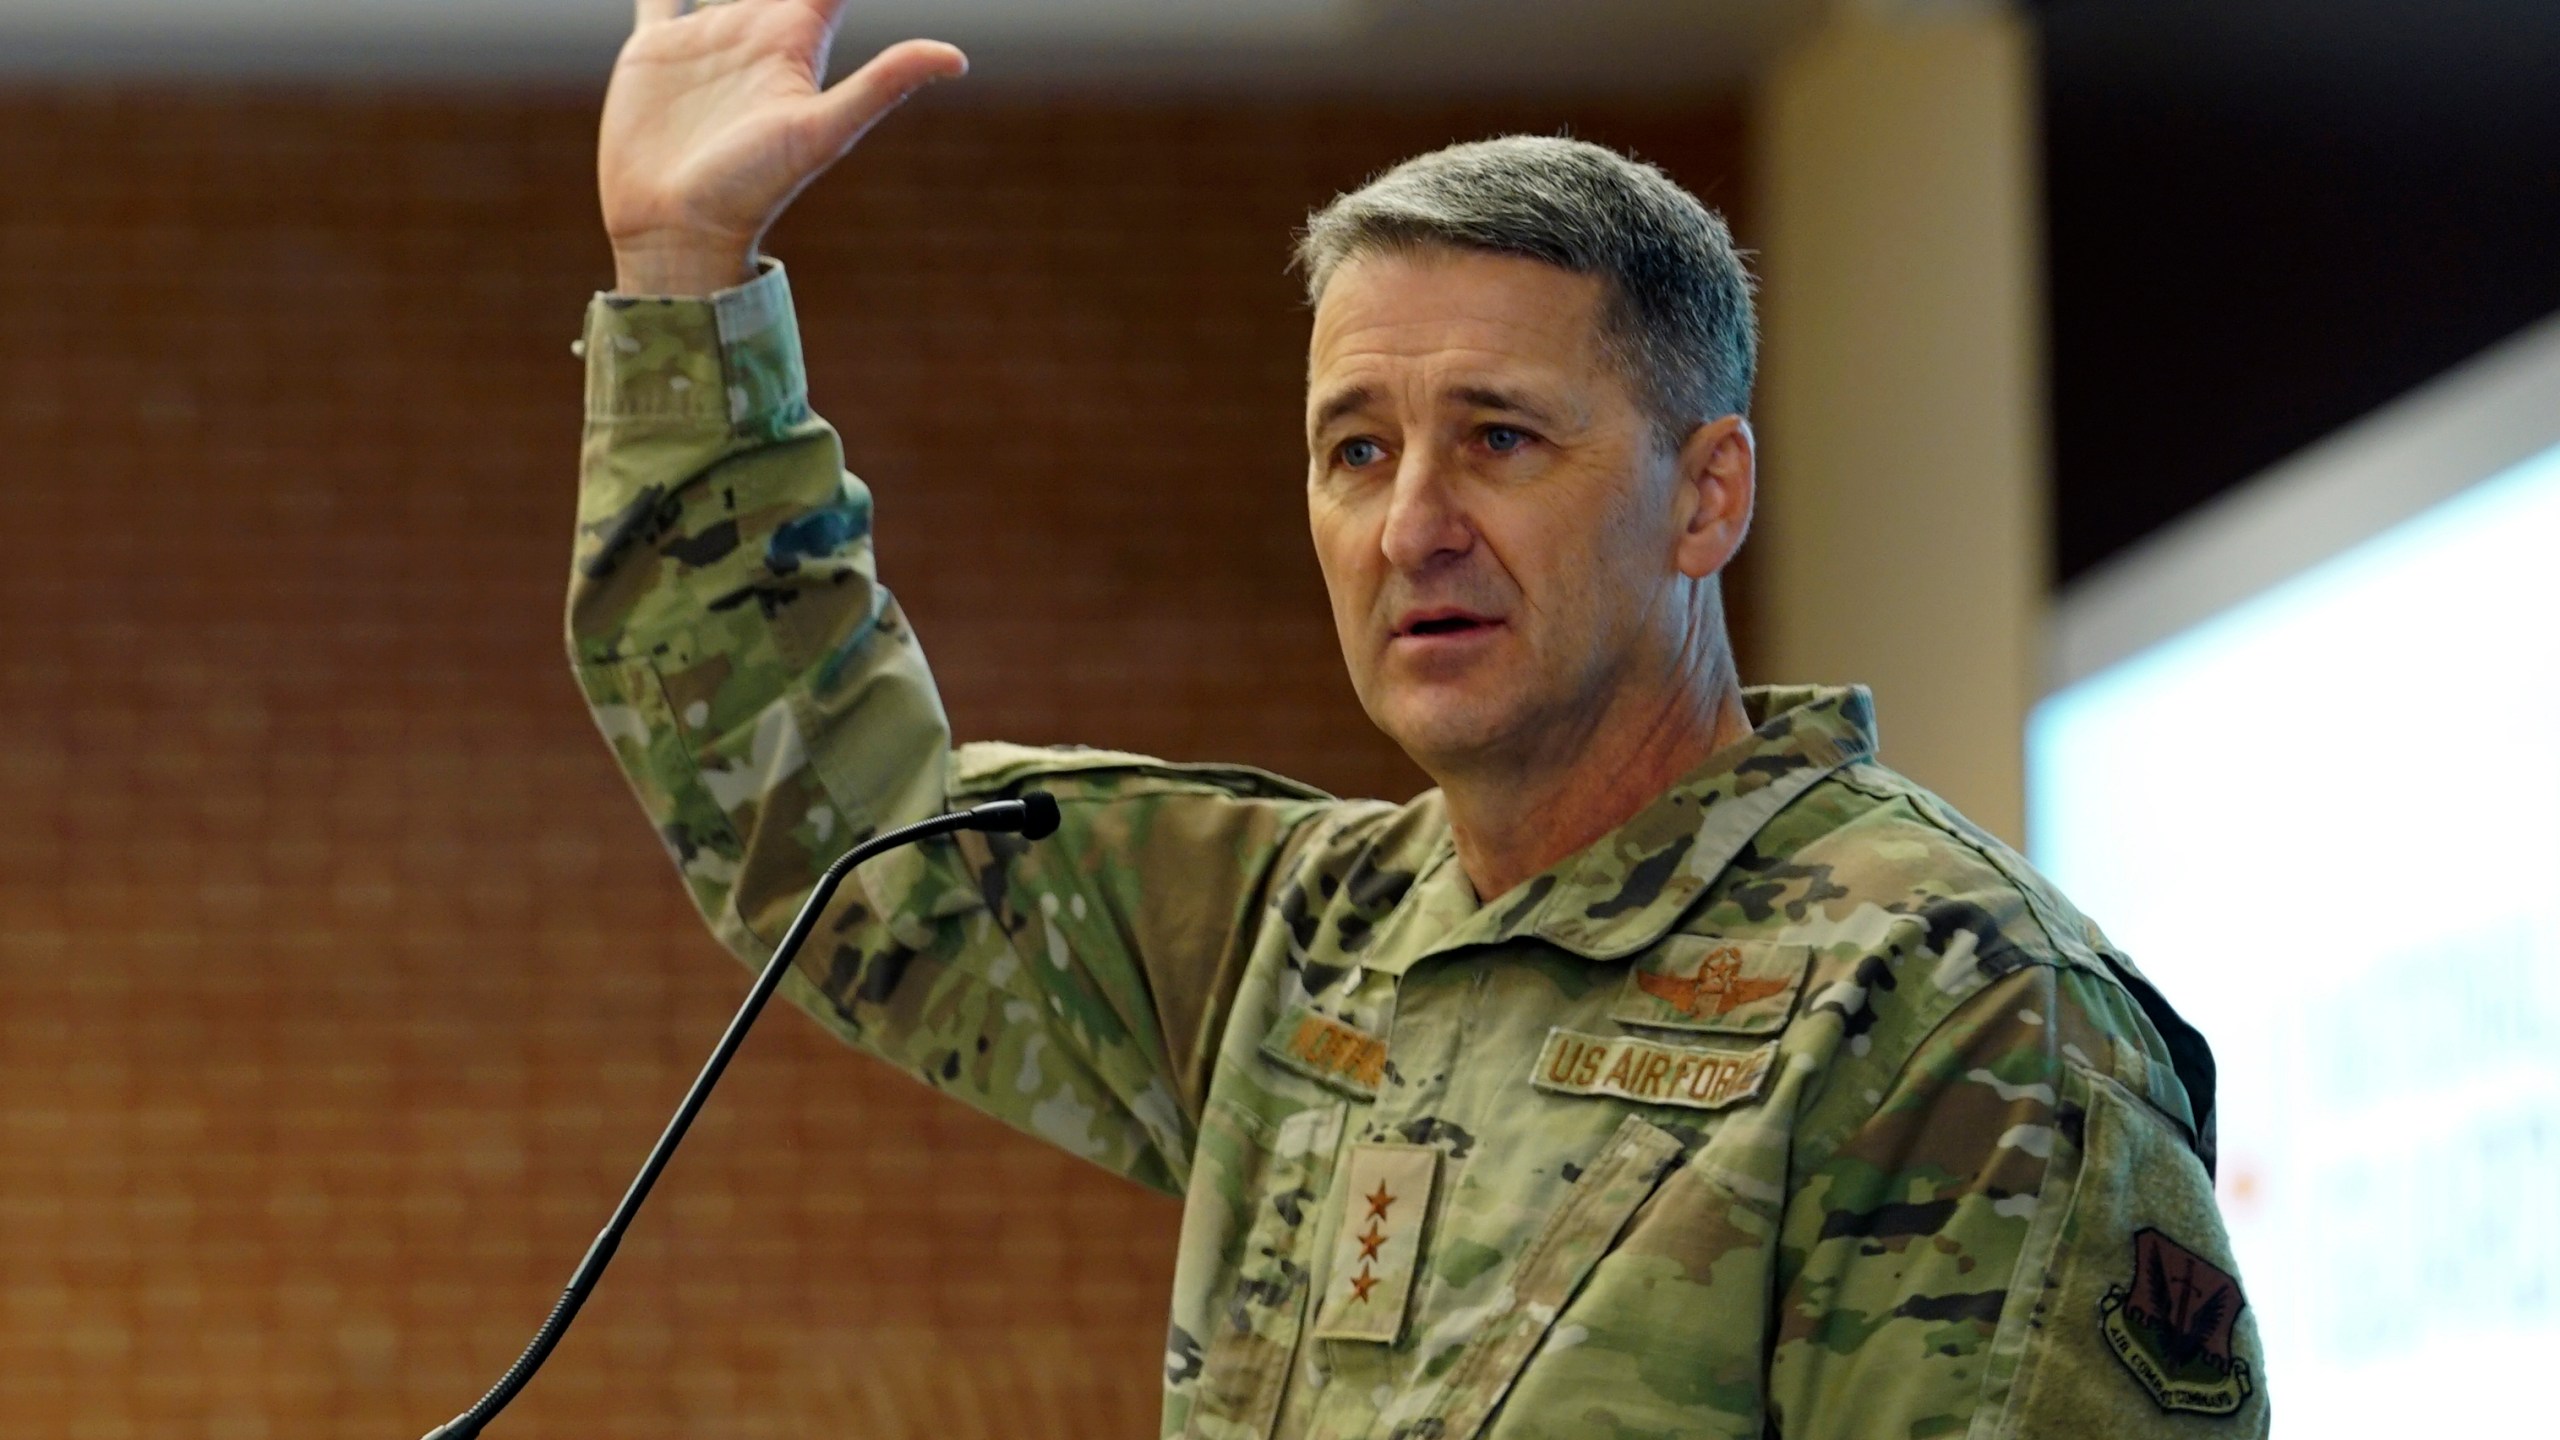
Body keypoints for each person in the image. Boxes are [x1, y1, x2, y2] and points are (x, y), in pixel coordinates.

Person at [569, 2, 2270, 1435]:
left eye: (1502, 438)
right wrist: (683, 269)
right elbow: (833, 827)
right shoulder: (1298, 937)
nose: (1413, 526)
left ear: (1708, 496)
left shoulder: (1953, 1012)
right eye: (1357, 450)